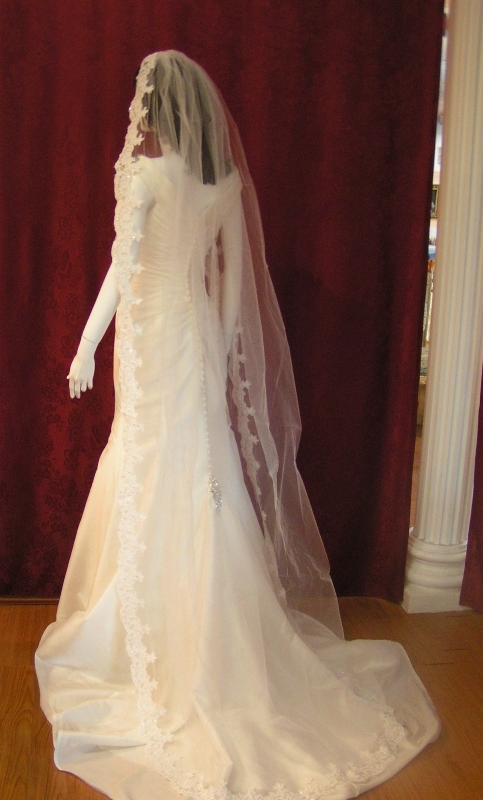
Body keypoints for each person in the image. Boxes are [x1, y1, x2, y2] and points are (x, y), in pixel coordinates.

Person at [35, 50, 441, 800]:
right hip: (190, 337)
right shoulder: (221, 186)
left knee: (147, 461)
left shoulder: (146, 176)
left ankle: (146, 637)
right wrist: (217, 353)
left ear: (157, 107)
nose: (137, 113)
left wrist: (87, 343)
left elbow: (122, 269)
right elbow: (225, 287)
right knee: (201, 471)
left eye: (142, 101)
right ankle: (214, 625)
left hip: (149, 339)